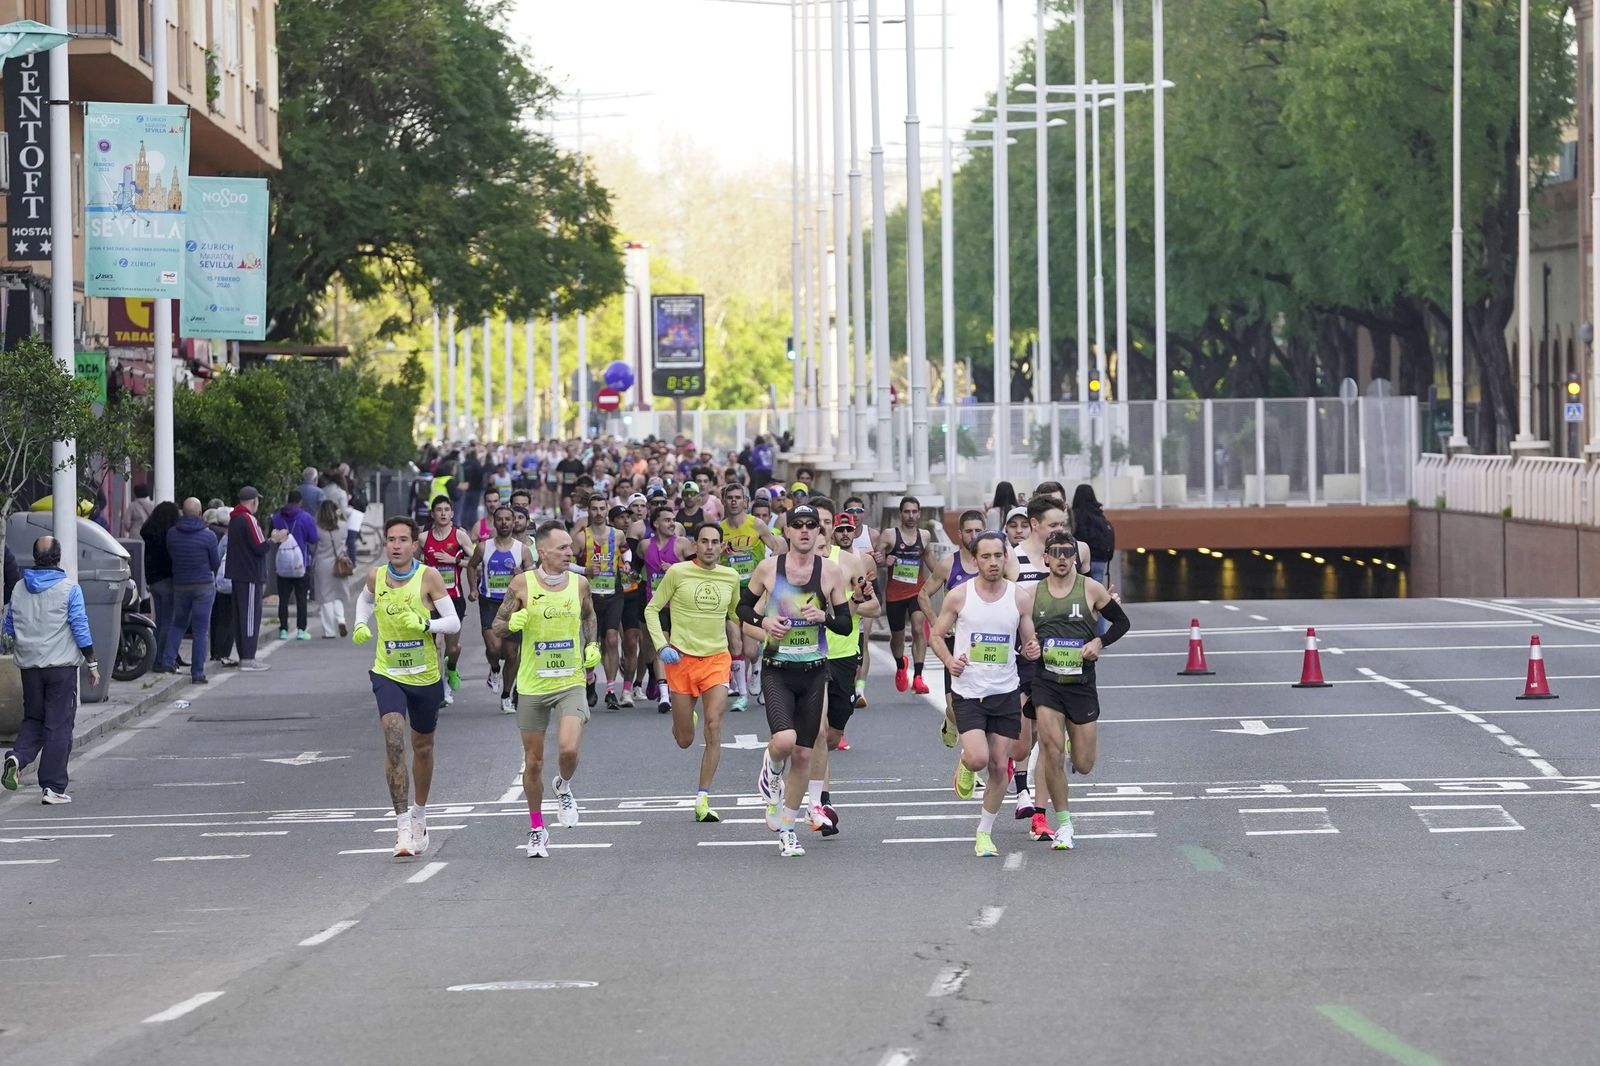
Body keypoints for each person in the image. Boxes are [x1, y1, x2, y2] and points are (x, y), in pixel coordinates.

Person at [742, 503, 858, 857]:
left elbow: (845, 624)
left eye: (812, 525)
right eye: (798, 525)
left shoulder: (830, 573)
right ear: (787, 532)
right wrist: (764, 623)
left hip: (814, 670)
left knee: (806, 755)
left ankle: (788, 828)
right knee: (785, 740)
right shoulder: (768, 569)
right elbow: (742, 609)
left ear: (818, 533)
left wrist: (823, 615)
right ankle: (771, 769)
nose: (806, 530)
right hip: (778, 668)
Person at [351, 516, 461, 857]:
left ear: (415, 545)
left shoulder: (428, 576)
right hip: (388, 672)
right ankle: (400, 827)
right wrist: (360, 624)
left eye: (403, 540)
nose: (396, 545)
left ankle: (419, 814)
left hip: (425, 675)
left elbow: (453, 621)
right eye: (391, 539)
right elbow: (365, 600)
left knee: (422, 746)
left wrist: (426, 624)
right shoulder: (376, 576)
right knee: (394, 738)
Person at [492, 521, 600, 858]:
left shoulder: (580, 584)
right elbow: (497, 626)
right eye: (563, 548)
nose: (571, 552)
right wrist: (513, 624)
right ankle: (537, 828)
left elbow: (588, 616)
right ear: (543, 551)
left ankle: (564, 786)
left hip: (570, 680)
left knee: (567, 750)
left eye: (571, 547)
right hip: (533, 683)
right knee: (534, 763)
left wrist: (591, 646)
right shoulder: (522, 583)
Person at [930, 530, 1041, 858]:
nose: (993, 562)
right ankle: (965, 763)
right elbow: (937, 635)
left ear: (1006, 558)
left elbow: (1028, 641)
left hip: (1005, 691)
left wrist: (1033, 649)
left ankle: (984, 833)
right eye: (986, 557)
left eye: (998, 556)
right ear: (975, 560)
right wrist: (950, 660)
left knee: (998, 766)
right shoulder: (959, 596)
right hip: (969, 691)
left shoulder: (1019, 597)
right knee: (978, 757)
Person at [1028, 529, 1130, 850]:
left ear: (1076, 556)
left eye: (1067, 552)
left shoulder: (1091, 589)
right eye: (1054, 552)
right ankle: (1064, 825)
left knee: (1084, 765)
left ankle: (1072, 735)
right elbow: (1013, 628)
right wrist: (1027, 647)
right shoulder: (1031, 594)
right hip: (1046, 684)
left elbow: (1122, 622)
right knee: (1052, 751)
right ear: (1044, 557)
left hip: (1081, 684)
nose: (1061, 558)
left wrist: (1099, 641)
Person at [644, 521, 742, 824]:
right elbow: (651, 609)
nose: (710, 547)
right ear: (695, 545)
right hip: (681, 660)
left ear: (722, 546)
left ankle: (703, 798)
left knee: (714, 725)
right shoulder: (677, 572)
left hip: (716, 660)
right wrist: (662, 646)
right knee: (685, 739)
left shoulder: (731, 577)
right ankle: (685, 719)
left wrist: (757, 630)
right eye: (704, 541)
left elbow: (738, 612)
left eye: (715, 542)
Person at [1, 537, 100, 803]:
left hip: (29, 667)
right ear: (58, 558)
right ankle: (53, 787)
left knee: (34, 719)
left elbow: (7, 629)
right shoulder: (69, 589)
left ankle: (17, 757)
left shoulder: (19, 589)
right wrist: (92, 663)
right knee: (59, 724)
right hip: (60, 668)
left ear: (34, 558)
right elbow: (80, 627)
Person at [805, 501, 880, 837]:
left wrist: (851, 605)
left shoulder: (850, 563)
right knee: (817, 733)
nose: (818, 528)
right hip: (809, 655)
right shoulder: (795, 567)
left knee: (833, 735)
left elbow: (874, 605)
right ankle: (821, 800)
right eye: (812, 522)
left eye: (823, 522)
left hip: (844, 655)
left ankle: (818, 794)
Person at [919, 509, 1020, 752]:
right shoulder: (948, 565)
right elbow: (923, 594)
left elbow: (1014, 590)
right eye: (968, 531)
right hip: (957, 644)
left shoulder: (997, 564)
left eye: (978, 530)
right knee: (955, 707)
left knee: (982, 714)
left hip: (992, 643)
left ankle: (972, 757)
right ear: (959, 534)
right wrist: (936, 622)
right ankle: (952, 722)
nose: (973, 535)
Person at [718, 482, 784, 713]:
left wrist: (767, 575)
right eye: (730, 498)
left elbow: (776, 549)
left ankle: (757, 667)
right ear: (723, 501)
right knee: (734, 641)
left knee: (751, 650)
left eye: (738, 498)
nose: (734, 501)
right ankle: (743, 696)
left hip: (755, 592)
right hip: (730, 591)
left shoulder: (756, 524)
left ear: (745, 502)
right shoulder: (719, 528)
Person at [465, 504, 533, 714]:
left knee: (511, 654)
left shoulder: (521, 550)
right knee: (494, 648)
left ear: (514, 523)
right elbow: (471, 565)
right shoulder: (484, 547)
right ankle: (494, 669)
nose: (504, 522)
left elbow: (532, 575)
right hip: (489, 602)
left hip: (513, 605)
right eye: (500, 519)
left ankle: (506, 696)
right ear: (494, 522)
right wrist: (474, 589)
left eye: (508, 519)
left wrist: (521, 573)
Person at [576, 496, 630, 709]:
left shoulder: (617, 534)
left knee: (611, 639)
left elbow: (626, 551)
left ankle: (610, 691)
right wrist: (584, 570)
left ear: (607, 510)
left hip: (613, 593)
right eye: (594, 509)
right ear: (588, 511)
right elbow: (566, 563)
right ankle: (590, 681)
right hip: (589, 596)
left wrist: (626, 564)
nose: (598, 513)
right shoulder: (581, 538)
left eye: (602, 509)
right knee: (592, 643)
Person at [226, 487, 286, 672]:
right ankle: (248, 658)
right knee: (251, 617)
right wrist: (274, 539)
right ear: (254, 501)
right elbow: (260, 547)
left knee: (240, 616)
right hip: (250, 575)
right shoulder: (249, 519)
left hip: (238, 573)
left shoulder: (234, 518)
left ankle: (245, 655)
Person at [875, 496, 931, 694]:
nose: (911, 516)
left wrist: (946, 580)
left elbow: (930, 561)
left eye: (914, 512)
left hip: (917, 592)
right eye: (907, 512)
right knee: (897, 637)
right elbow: (877, 558)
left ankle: (918, 677)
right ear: (901, 514)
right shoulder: (890, 535)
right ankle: (901, 665)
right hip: (894, 595)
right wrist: (883, 561)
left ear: (919, 513)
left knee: (918, 628)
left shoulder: (924, 536)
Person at [419, 497, 472, 701]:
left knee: (452, 647)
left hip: (454, 599)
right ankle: (441, 689)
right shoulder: (423, 538)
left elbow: (476, 562)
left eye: (446, 510)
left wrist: (454, 560)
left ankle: (452, 669)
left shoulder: (460, 536)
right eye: (439, 510)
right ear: (432, 514)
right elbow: (414, 565)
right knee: (435, 645)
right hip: (431, 600)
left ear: (452, 514)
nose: (442, 513)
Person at [161, 498, 220, 683]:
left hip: (180, 585)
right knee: (201, 631)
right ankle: (197, 672)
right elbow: (215, 563)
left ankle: (168, 660)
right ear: (201, 512)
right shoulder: (208, 536)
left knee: (177, 623)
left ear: (182, 513)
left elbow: (170, 555)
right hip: (203, 586)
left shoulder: (172, 534)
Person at [642, 505, 693, 714]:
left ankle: (678, 688)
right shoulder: (645, 546)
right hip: (656, 604)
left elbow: (697, 570)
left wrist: (675, 569)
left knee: (679, 648)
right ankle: (664, 694)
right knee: (660, 648)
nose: (672, 523)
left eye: (674, 520)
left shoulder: (682, 544)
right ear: (655, 523)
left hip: (680, 606)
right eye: (667, 520)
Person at [272, 490, 319, 641]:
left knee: (284, 599)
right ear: (300, 502)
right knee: (301, 598)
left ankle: (283, 630)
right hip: (301, 564)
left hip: (283, 564)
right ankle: (301, 630)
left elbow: (271, 537)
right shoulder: (306, 518)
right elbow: (313, 539)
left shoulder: (277, 517)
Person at [1071, 483, 1117, 633]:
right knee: (1099, 595)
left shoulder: (1076, 516)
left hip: (1082, 561)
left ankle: (1083, 631)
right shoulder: (1099, 514)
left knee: (1080, 596)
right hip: (1101, 561)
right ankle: (1100, 632)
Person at [141, 500, 181, 668]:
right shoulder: (169, 536)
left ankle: (155, 656)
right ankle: (162, 659)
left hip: (154, 581)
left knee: (159, 620)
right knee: (168, 621)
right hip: (167, 579)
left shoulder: (149, 533)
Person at [313, 499, 352, 639]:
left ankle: (329, 631)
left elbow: (313, 546)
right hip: (339, 563)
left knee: (325, 598)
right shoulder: (343, 525)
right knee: (338, 595)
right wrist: (340, 513)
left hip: (322, 564)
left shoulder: (317, 528)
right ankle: (341, 619)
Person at [207, 508, 236, 667]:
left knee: (217, 618)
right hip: (230, 582)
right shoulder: (230, 538)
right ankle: (223, 653)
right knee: (228, 619)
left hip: (218, 582)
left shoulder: (222, 536)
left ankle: (215, 653)